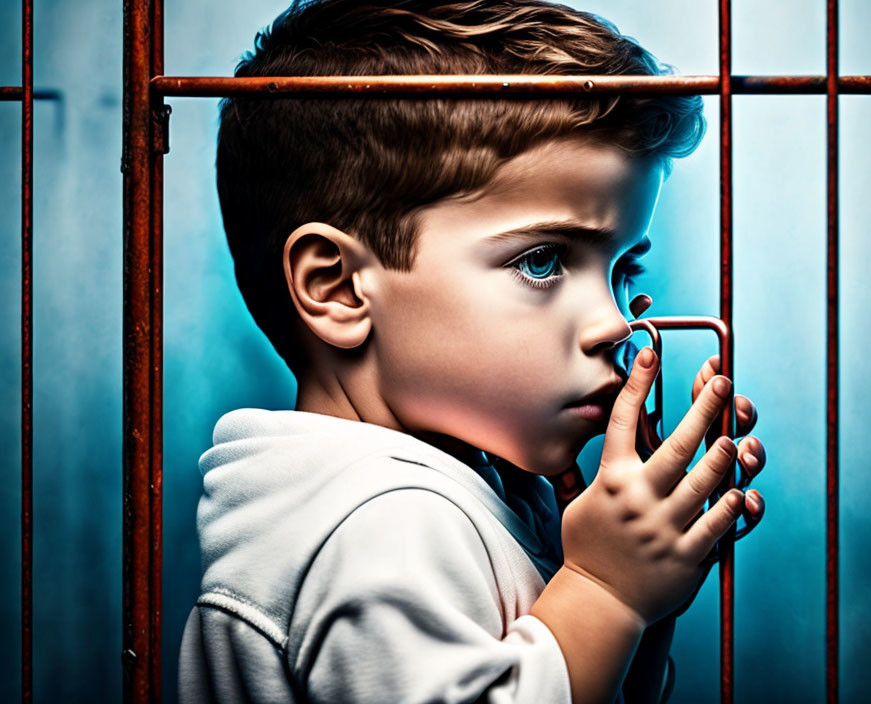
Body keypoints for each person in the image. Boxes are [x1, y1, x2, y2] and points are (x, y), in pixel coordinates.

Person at [178, 1, 768, 702]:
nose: (616, 324)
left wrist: (645, 598)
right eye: (543, 261)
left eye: (623, 272)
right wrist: (605, 592)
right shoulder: (379, 519)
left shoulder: (441, 489)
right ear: (338, 288)